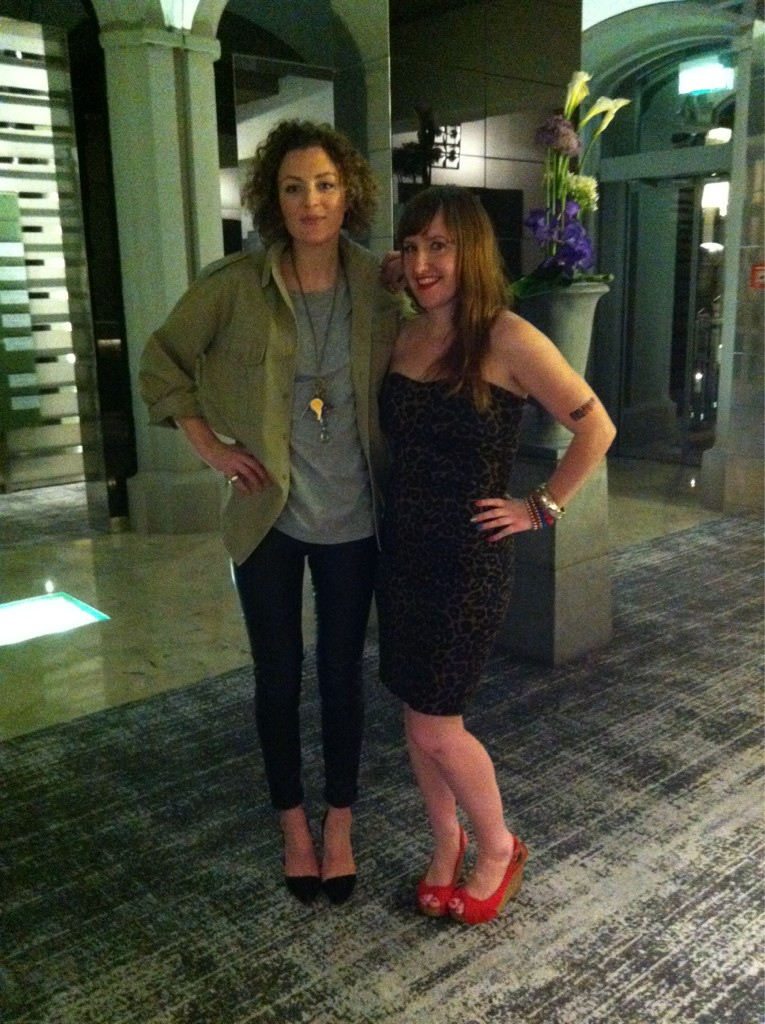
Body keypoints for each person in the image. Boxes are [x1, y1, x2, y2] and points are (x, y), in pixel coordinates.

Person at [139, 120, 401, 905]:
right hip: (268, 519)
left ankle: (340, 821)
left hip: (355, 520)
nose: (310, 201)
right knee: (277, 677)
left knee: (342, 677)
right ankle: (293, 823)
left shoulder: (379, 285)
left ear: (347, 192)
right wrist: (210, 448)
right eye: (293, 187)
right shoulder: (233, 286)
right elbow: (162, 361)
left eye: (324, 184)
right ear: (271, 199)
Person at [375, 185, 616, 925]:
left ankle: (498, 846)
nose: (422, 263)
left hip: (467, 562)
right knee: (416, 710)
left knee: (436, 725)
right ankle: (444, 842)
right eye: (412, 246)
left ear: (472, 251)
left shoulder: (508, 337)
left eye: (439, 247)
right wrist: (387, 271)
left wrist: (540, 507)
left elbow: (597, 429)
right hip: (402, 554)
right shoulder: (403, 333)